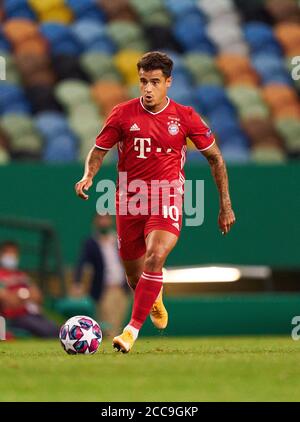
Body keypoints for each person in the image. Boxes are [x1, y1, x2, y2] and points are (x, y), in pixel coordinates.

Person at [75, 51, 236, 353]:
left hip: (167, 197)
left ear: (168, 83)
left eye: (155, 82)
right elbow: (98, 151)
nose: (148, 89)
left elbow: (215, 158)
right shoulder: (122, 114)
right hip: (129, 202)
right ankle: (155, 294)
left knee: (156, 255)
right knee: (136, 276)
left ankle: (130, 331)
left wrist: (224, 204)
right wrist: (88, 177)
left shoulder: (185, 116)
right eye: (143, 82)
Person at [72, 213, 129, 337]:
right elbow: (81, 263)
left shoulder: (118, 239)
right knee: (109, 324)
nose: (104, 222)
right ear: (96, 222)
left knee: (119, 322)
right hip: (105, 289)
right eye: (101, 219)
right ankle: (113, 348)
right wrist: (77, 283)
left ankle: (117, 344)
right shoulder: (91, 242)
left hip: (123, 287)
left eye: (106, 219)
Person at [0, 241, 59, 338]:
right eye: (8, 253)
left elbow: (38, 295)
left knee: (56, 328)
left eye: (14, 253)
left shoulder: (21, 275)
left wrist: (21, 295)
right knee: (49, 331)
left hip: (34, 313)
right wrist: (25, 296)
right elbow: (7, 299)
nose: (11, 256)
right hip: (15, 318)